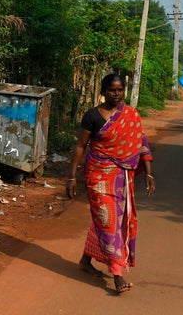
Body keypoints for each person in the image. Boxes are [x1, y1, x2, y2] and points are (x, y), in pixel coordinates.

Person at [66, 73, 155, 294]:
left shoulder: (131, 115)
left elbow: (141, 143)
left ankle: (85, 261)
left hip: (121, 178)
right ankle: (117, 274)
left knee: (109, 220)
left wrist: (149, 174)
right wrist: (71, 176)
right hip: (97, 175)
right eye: (112, 90)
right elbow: (80, 146)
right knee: (108, 222)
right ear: (103, 91)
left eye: (120, 90)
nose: (116, 94)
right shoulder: (92, 116)